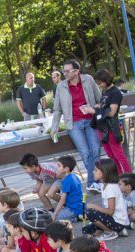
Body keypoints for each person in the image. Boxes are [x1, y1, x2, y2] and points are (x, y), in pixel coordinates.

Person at [51, 60, 102, 192]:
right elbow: (57, 110)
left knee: (96, 150)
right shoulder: (61, 87)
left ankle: (93, 182)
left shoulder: (88, 79)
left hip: (91, 120)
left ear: (76, 71)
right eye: (64, 71)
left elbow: (99, 99)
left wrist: (94, 107)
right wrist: (54, 127)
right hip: (74, 123)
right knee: (85, 153)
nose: (65, 73)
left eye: (67, 71)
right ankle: (94, 182)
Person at [82, 69, 132, 174]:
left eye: (100, 82)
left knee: (119, 154)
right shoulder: (105, 91)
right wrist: (98, 106)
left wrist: (94, 110)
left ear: (106, 80)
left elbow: (112, 112)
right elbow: (105, 106)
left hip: (111, 127)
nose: (99, 85)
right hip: (102, 127)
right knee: (111, 155)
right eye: (98, 83)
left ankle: (128, 175)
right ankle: (119, 175)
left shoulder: (115, 92)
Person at [82, 158, 130, 241]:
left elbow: (110, 211)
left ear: (104, 173)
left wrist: (94, 206)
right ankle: (119, 231)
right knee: (86, 230)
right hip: (112, 219)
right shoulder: (103, 185)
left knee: (91, 212)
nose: (93, 172)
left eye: (96, 170)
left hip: (118, 221)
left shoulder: (111, 188)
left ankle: (110, 232)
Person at [51, 155, 84, 222]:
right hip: (77, 206)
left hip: (74, 209)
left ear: (66, 169)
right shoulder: (73, 176)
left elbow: (62, 200)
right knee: (56, 216)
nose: (57, 168)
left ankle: (78, 217)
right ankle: (79, 215)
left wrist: (55, 213)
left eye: (59, 166)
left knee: (55, 218)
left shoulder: (67, 180)